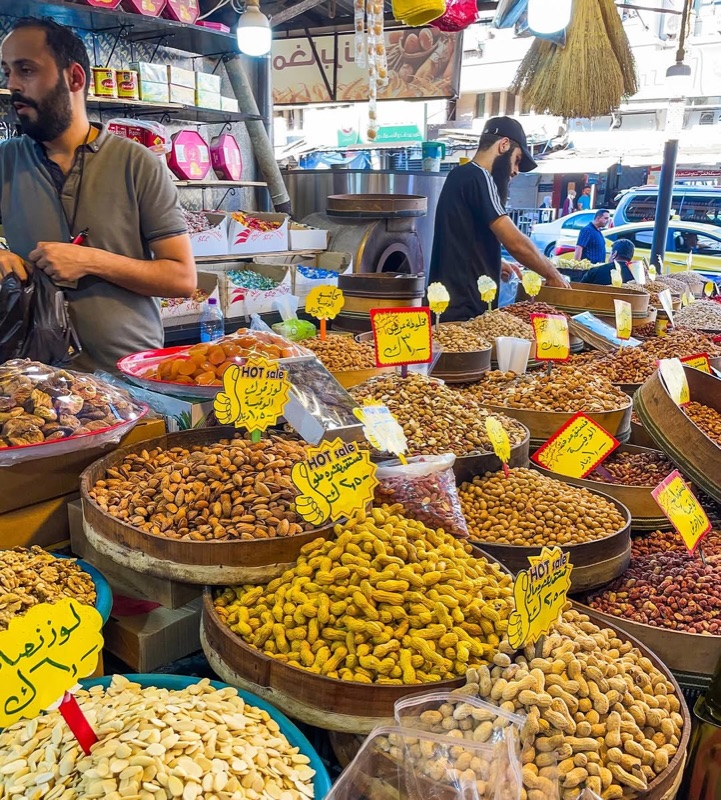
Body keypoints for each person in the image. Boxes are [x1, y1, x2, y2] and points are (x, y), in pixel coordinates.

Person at [0, 17, 196, 372]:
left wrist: (91, 261)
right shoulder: (5, 161)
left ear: (74, 78)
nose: (12, 84)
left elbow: (182, 279)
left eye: (25, 70)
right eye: (7, 71)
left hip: (131, 376)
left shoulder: (137, 163)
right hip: (36, 384)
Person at [428, 116, 568, 321]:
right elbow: (515, 241)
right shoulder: (480, 177)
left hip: (451, 306)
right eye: (517, 160)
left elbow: (462, 237)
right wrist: (553, 275)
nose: (515, 171)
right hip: (465, 308)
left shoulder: (459, 175)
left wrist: (494, 260)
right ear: (504, 145)